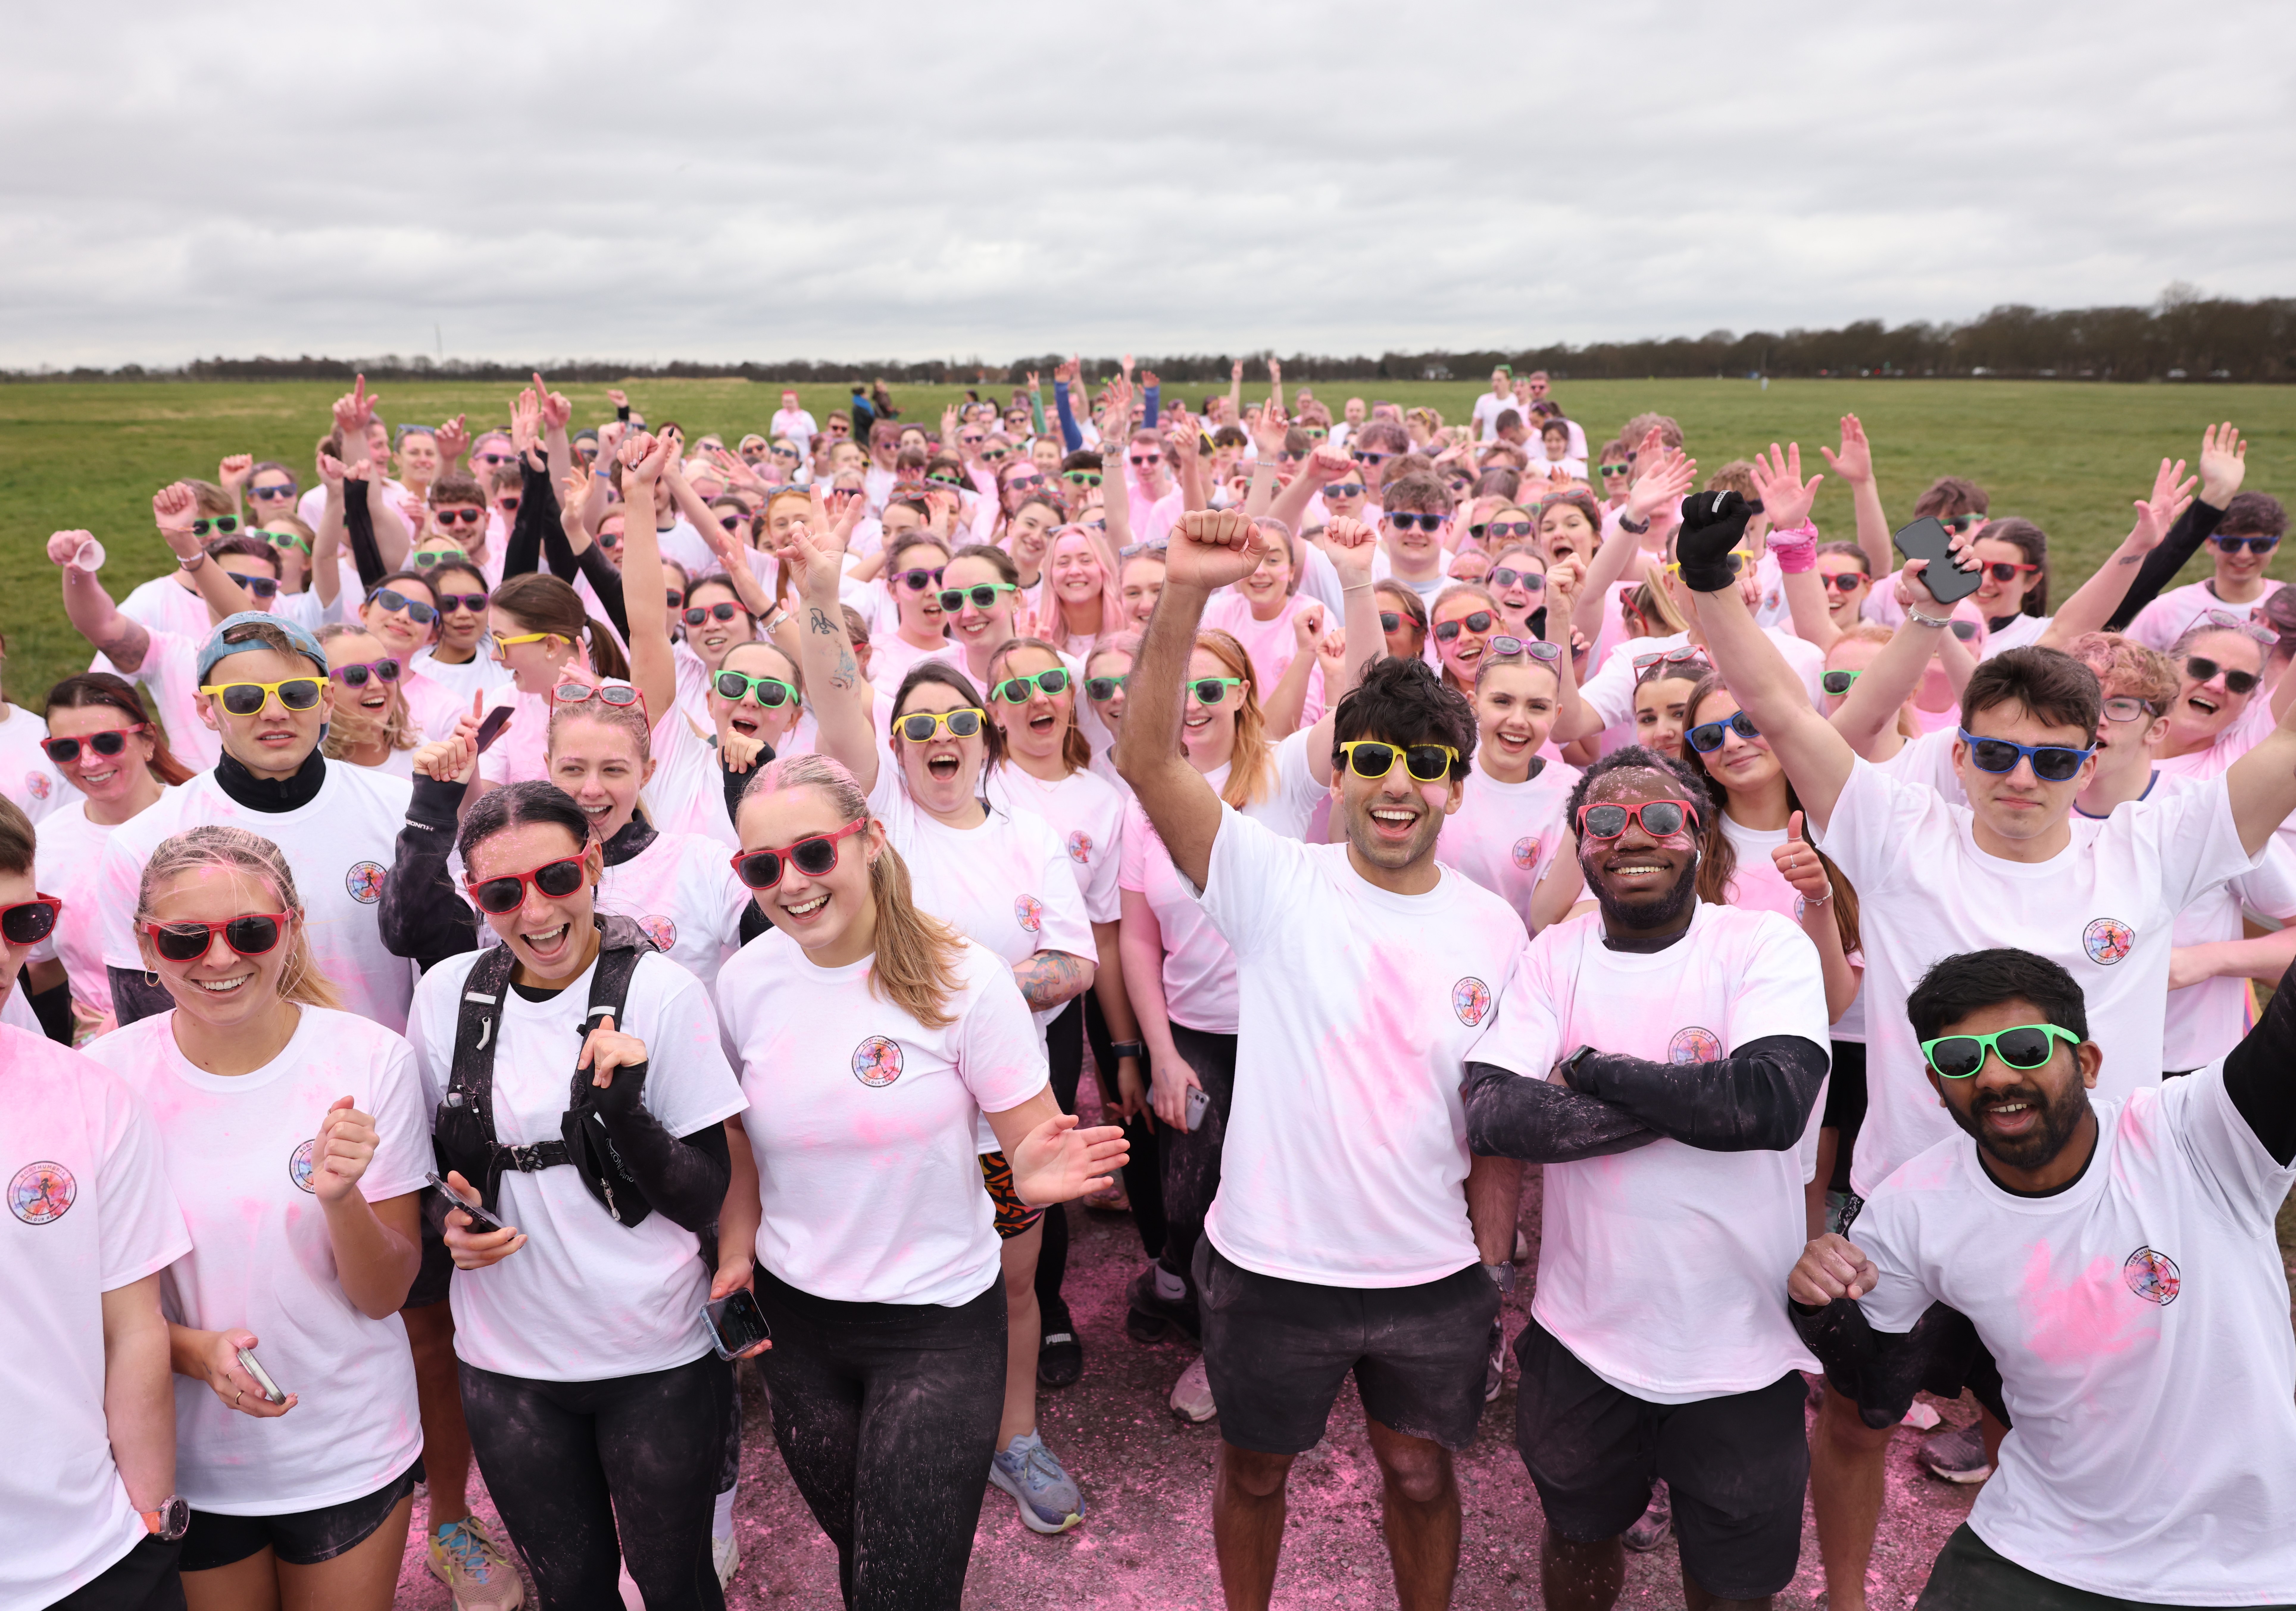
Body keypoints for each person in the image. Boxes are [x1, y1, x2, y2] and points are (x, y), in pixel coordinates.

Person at [1686, 448, 2296, 1531]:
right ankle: (1842, 1602)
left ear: (2087, 757)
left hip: (2077, 1204)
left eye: (2052, 763)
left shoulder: (2152, 854)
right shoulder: (1894, 831)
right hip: (1902, 1198)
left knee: (2050, 1422)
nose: (2022, 782)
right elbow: (1782, 710)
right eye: (1997, 757)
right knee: (1857, 1420)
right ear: (1958, 754)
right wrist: (1706, 584)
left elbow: (2286, 752)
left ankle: (2042, 1562)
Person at [1117, 510, 1527, 1611]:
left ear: (1457, 784)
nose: (1399, 784)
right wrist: (1185, 593)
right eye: (1373, 759)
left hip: (1428, 1276)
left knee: (1419, 1471)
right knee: (1253, 1472)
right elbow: (1146, 757)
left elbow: (1495, 1112)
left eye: (1428, 765)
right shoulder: (1273, 882)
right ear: (1339, 772)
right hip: (1268, 1266)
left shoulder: (1497, 929)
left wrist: (1492, 1259)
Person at [715, 751, 1127, 1607]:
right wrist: (734, 1254)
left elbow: (1026, 1144)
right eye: (763, 865)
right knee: (867, 1559)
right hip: (800, 1330)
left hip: (937, 1324)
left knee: (904, 1587)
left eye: (813, 853)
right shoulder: (744, 981)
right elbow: (743, 1142)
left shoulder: (966, 978)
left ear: (868, 840)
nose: (790, 883)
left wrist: (1031, 1179)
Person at [1790, 949, 2296, 1609]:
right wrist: (1818, 1299)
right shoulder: (1912, 1207)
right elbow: (1861, 1391)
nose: (1994, 1076)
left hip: (2245, 1565)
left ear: (2084, 1063)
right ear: (1935, 1082)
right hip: (2034, 1550)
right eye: (1959, 1060)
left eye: (2025, 1048)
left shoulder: (2197, 1137)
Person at [786, 514, 1104, 1536]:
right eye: (915, 724)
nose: (935, 736)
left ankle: (1013, 1437)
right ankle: (904, 1433)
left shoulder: (1031, 833)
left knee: (1013, 1285)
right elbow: (838, 699)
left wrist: (980, 995)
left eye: (954, 721)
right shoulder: (878, 813)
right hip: (890, 1109)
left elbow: (1078, 958)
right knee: (895, 1282)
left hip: (1007, 1117)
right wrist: (826, 597)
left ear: (985, 733)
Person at [1461, 746, 1831, 1611]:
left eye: (1662, 818)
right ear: (1579, 843)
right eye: (1606, 820)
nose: (1636, 836)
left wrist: (1589, 1066)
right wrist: (1706, 1106)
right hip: (1584, 1336)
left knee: (1736, 1585)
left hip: (1742, 1348)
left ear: (1698, 836)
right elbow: (1496, 1115)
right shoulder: (1557, 954)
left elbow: (1771, 1105)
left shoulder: (1762, 942)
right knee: (1578, 1539)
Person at [405, 781, 747, 1611]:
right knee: (573, 1592)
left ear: (594, 862)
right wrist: (448, 1223)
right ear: (474, 897)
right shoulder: (446, 994)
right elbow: (423, 1170)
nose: (535, 911)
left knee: (677, 1585)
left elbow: (704, 1192)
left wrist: (625, 1111)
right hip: (508, 1363)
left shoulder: (663, 991)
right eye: (501, 892)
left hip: (654, 1353)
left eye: (557, 878)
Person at [82, 825, 427, 1611]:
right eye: (184, 937)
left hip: (347, 1445)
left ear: (293, 927)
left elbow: (384, 1294)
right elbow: (84, 1301)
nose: (219, 958)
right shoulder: (105, 1079)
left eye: (249, 931)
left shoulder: (371, 1060)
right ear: (145, 942)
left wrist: (341, 1200)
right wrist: (195, 1352)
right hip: (183, 1461)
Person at [0, 797, 196, 1611]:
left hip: (96, 1557)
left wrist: (151, 1518)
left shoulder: (87, 1094)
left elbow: (133, 1325)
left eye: (22, 919)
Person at [91, 613, 416, 1032]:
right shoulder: (142, 843)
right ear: (206, 709)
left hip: (382, 1080)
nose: (276, 713)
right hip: (225, 1086)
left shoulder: (400, 810)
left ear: (327, 701)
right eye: (245, 699)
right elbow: (146, 1021)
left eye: (297, 694)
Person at [980, 634, 1146, 1387]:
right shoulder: (974, 782)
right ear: (994, 711)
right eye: (1015, 690)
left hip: (1051, 1020)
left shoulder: (1103, 800)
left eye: (1049, 682)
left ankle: (1044, 1308)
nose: (1036, 698)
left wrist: (1122, 1051)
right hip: (951, 1023)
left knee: (1037, 1170)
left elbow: (1105, 935)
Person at [33, 673, 193, 1042]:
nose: (88, 761)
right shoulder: (45, 844)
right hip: (102, 1050)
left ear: (148, 740)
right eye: (66, 749)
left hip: (213, 1035)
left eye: (107, 742)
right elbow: (41, 964)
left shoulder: (201, 819)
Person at [1434, 639, 1585, 935]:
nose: (1517, 720)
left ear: (1555, 715)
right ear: (1473, 704)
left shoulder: (1574, 794)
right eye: (1502, 702)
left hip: (1523, 970)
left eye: (1537, 707)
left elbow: (1549, 921)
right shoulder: (1436, 772)